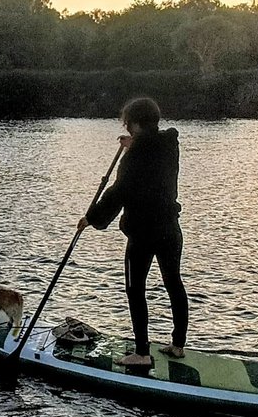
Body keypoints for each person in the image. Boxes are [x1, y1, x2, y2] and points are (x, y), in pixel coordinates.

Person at [77, 96, 189, 369]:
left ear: (135, 124)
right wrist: (134, 145)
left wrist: (90, 218)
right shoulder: (168, 147)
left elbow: (118, 193)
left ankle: (141, 353)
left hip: (143, 233)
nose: (126, 128)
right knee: (173, 282)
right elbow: (152, 146)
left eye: (128, 124)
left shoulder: (134, 159)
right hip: (170, 229)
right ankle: (178, 346)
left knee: (134, 289)